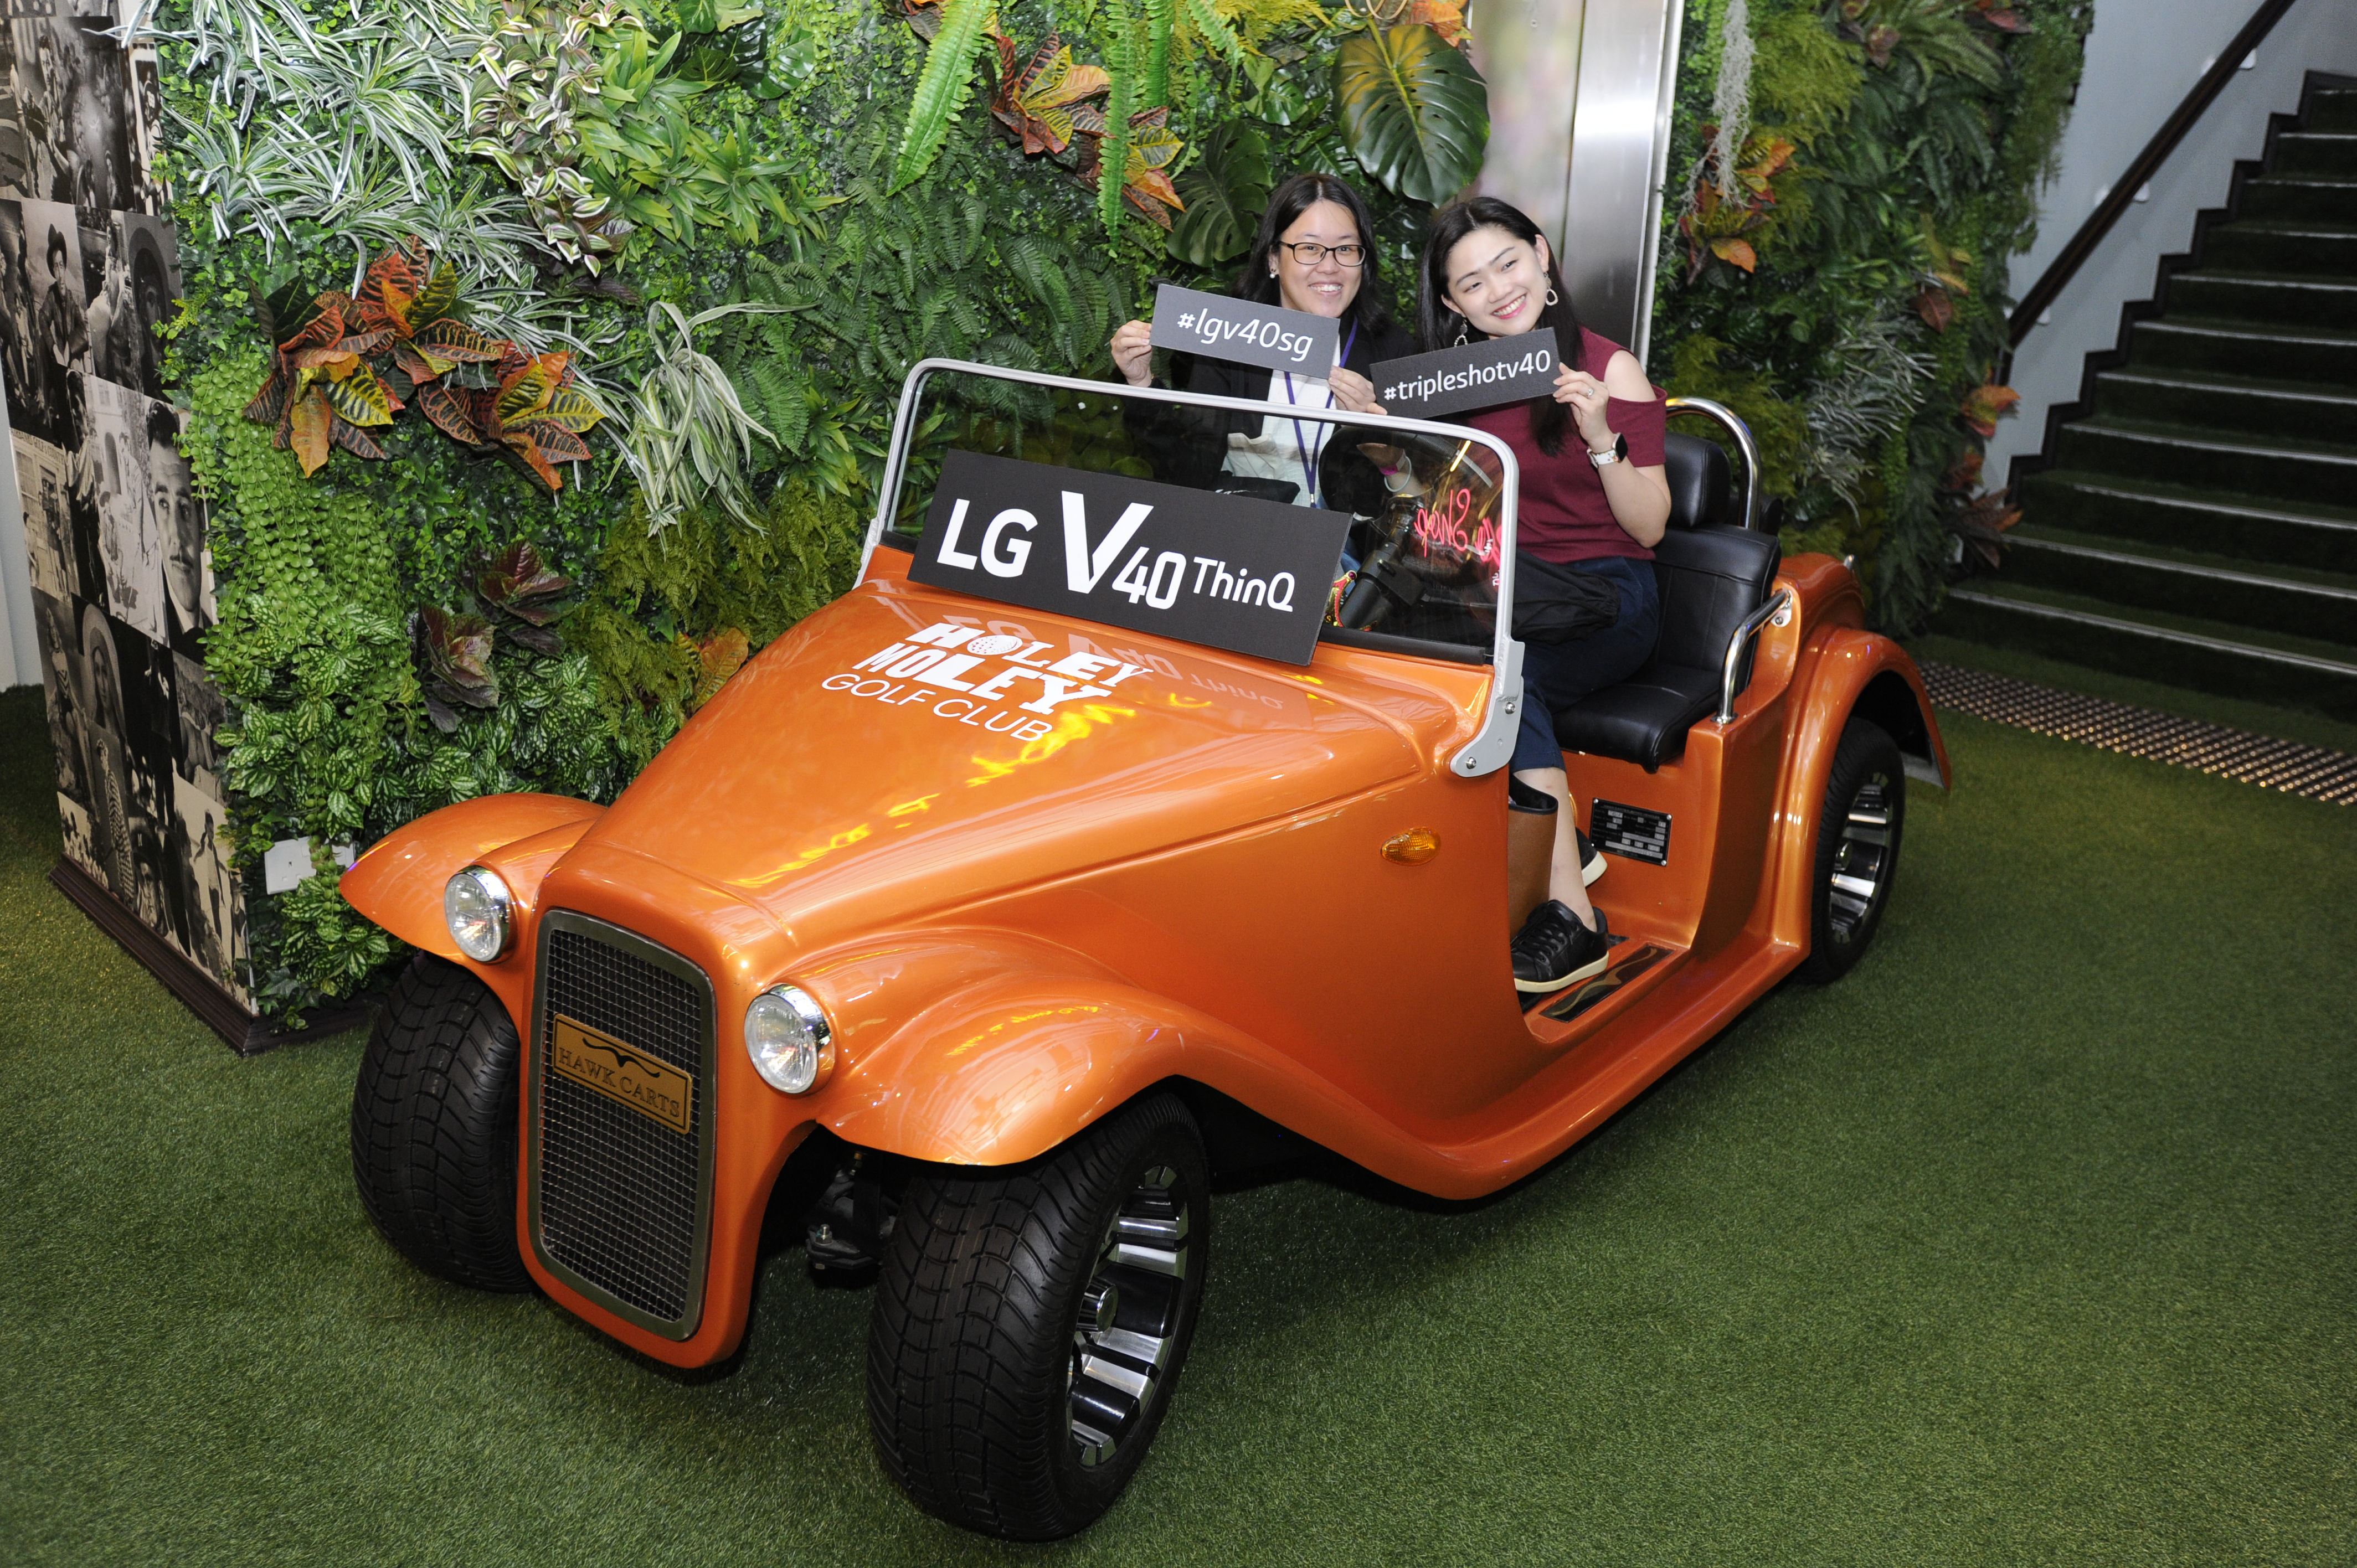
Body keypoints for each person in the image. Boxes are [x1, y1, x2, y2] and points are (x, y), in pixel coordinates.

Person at [1418, 196, 1671, 994]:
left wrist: (1601, 439)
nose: (1498, 290)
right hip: (1503, 599)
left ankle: (1574, 917)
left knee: (1503, 677)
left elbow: (1651, 524)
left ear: (1542, 254)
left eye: (1508, 264)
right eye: (1472, 284)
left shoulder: (1607, 366)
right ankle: (1557, 841)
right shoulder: (1449, 384)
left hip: (1606, 592)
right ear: (1453, 305)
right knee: (1449, 662)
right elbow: (1433, 511)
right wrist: (1382, 433)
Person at [1110, 172, 1414, 515]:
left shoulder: (1392, 351)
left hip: (1350, 546)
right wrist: (1141, 384)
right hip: (1247, 536)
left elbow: (1411, 503)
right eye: (1310, 248)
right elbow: (1188, 474)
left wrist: (1376, 446)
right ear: (1273, 259)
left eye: (1345, 249)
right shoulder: (1232, 338)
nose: (1330, 267)